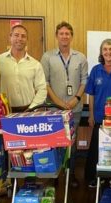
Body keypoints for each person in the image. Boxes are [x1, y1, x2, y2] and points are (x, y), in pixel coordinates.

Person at [40, 21, 88, 187]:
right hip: (54, 109)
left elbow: (84, 81)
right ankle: (54, 176)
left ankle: (71, 175)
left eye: (67, 33)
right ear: (56, 36)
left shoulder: (80, 57)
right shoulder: (47, 57)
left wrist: (76, 98)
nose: (64, 36)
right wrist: (59, 102)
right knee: (54, 143)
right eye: (61, 33)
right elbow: (44, 83)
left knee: (72, 145)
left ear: (71, 36)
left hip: (75, 108)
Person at [84, 39, 111, 188]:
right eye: (105, 49)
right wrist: (91, 115)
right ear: (101, 52)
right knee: (96, 148)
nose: (108, 52)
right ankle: (93, 177)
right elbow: (91, 95)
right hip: (99, 117)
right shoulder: (96, 70)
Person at [0, 24, 47, 112]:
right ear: (10, 37)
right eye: (16, 35)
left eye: (23, 36)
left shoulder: (35, 64)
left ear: (27, 40)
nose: (20, 39)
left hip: (28, 110)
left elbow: (42, 89)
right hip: (4, 111)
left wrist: (32, 108)